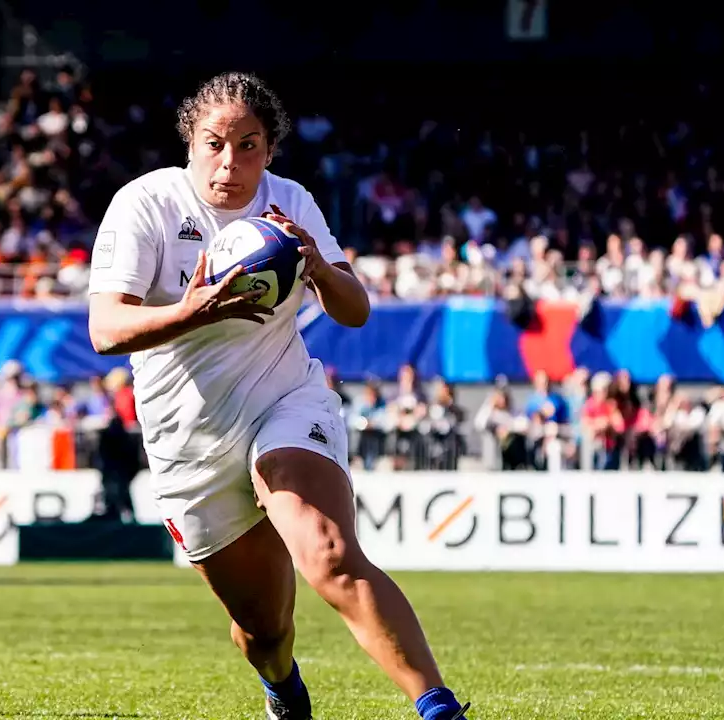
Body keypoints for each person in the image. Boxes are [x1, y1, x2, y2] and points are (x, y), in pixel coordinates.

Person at [86, 71, 470, 720]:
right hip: (190, 445)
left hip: (284, 403)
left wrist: (316, 263)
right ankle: (283, 688)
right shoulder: (144, 204)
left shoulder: (288, 202)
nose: (229, 162)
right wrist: (197, 311)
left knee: (330, 555)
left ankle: (439, 709)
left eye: (249, 145)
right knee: (264, 631)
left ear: (270, 149)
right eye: (214, 143)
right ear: (190, 141)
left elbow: (354, 311)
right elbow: (105, 330)